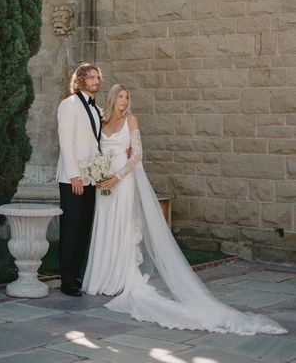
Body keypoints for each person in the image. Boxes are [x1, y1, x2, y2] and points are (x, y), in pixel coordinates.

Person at [82, 84, 287, 335]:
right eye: (121, 97)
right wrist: (100, 174)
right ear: (113, 98)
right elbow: (97, 152)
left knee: (122, 227)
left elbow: (137, 155)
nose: (124, 101)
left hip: (123, 182)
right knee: (105, 226)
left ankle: (119, 279)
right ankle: (102, 278)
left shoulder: (131, 120)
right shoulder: (102, 124)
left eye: (127, 97)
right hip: (104, 183)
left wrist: (117, 177)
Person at [56, 63, 103, 297]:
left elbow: (95, 144)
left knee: (83, 229)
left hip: (90, 179)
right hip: (72, 178)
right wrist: (74, 174)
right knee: (71, 228)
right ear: (81, 80)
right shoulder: (69, 105)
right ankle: (67, 281)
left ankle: (76, 274)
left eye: (97, 77)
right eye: (91, 77)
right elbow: (66, 141)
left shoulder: (97, 109)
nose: (96, 80)